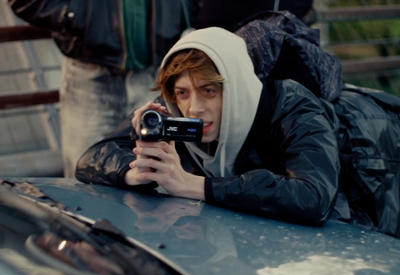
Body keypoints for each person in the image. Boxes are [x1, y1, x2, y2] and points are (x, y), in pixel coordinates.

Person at [8, 1, 315, 178]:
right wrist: (75, 16)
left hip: (162, 66)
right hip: (90, 69)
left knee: (160, 173)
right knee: (87, 173)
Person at [76, 27, 340, 226]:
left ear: (233, 87)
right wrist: (138, 171)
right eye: (182, 93)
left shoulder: (293, 108)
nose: (194, 109)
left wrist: (192, 185)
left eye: (209, 90)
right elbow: (89, 158)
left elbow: (313, 197)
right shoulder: (172, 110)